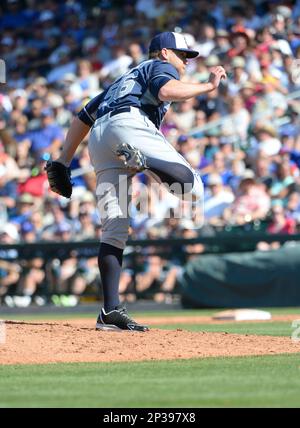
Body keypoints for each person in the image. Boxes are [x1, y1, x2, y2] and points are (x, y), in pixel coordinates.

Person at [46, 31, 226, 332]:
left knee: (114, 230)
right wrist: (208, 85)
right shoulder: (159, 66)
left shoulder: (122, 80)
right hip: (130, 126)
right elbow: (167, 91)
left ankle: (109, 311)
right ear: (165, 52)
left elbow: (82, 118)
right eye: (183, 55)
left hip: (101, 138)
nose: (185, 62)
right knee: (193, 188)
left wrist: (64, 160)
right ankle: (145, 161)